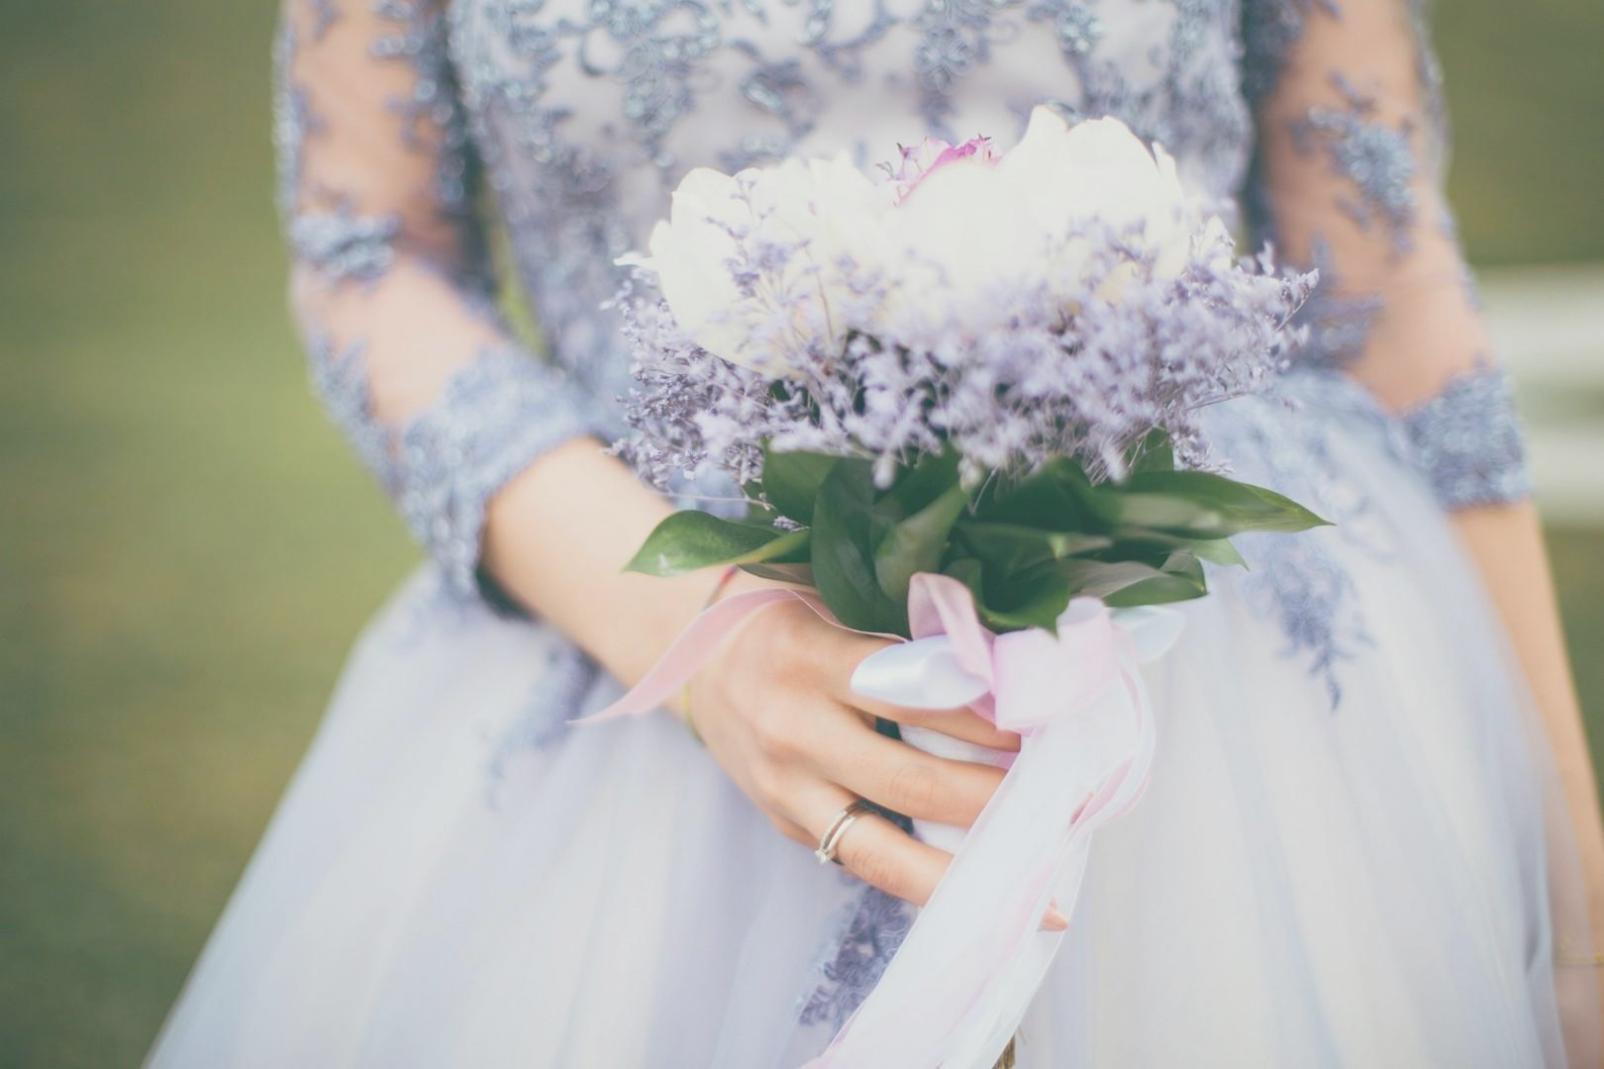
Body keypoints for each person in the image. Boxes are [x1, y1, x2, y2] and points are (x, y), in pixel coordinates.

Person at [150, 1, 1604, 1064]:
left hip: (1216, 703)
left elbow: (1385, 273)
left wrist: (1580, 929)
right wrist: (706, 643)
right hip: (636, 666)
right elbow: (367, 254)